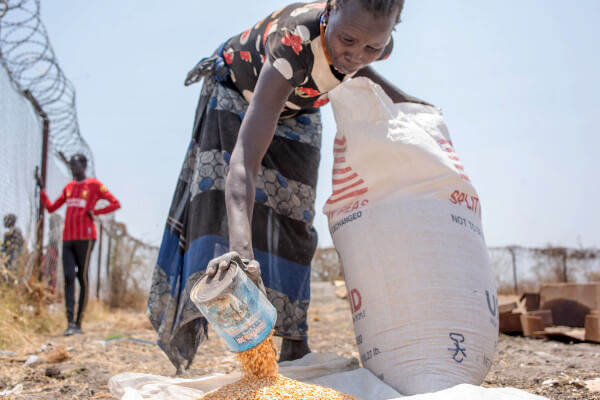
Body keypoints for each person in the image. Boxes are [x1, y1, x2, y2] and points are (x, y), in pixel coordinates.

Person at [148, 0, 427, 372]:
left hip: (300, 106)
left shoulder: (375, 38)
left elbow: (362, 70)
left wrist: (404, 100)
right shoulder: (293, 43)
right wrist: (242, 254)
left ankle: (295, 340)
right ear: (332, 8)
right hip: (239, 93)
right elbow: (245, 159)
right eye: (347, 39)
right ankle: (233, 334)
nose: (355, 54)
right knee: (221, 209)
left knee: (297, 217)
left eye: (371, 48)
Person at [36, 154, 120, 336]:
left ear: (83, 165)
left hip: (86, 238)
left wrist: (95, 211)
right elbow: (51, 208)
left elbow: (115, 203)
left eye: (75, 165)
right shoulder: (69, 187)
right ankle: (70, 323)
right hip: (68, 238)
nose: (73, 169)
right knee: (68, 276)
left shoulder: (94, 185)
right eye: (71, 166)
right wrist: (42, 190)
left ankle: (79, 323)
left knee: (82, 276)